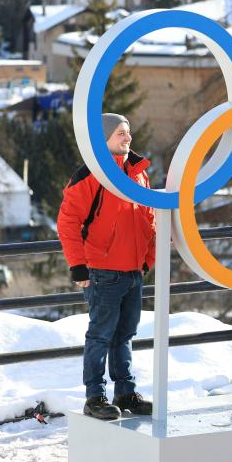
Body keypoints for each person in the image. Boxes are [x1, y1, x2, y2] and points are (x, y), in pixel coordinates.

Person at [57, 113, 155, 420]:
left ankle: (125, 392)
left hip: (133, 271)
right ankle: (95, 397)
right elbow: (68, 222)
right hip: (102, 271)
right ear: (103, 139)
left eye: (128, 132)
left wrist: (148, 258)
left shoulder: (137, 172)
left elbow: (148, 218)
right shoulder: (90, 175)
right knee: (100, 335)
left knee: (124, 335)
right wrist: (78, 266)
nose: (128, 137)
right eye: (120, 133)